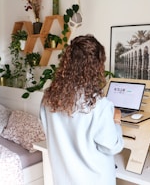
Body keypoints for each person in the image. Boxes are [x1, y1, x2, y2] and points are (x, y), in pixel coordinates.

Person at [40, 35, 124, 185]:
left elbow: (51, 132)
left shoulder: (49, 98)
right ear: (97, 66)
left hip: (63, 179)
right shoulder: (99, 105)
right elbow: (112, 147)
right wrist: (116, 120)